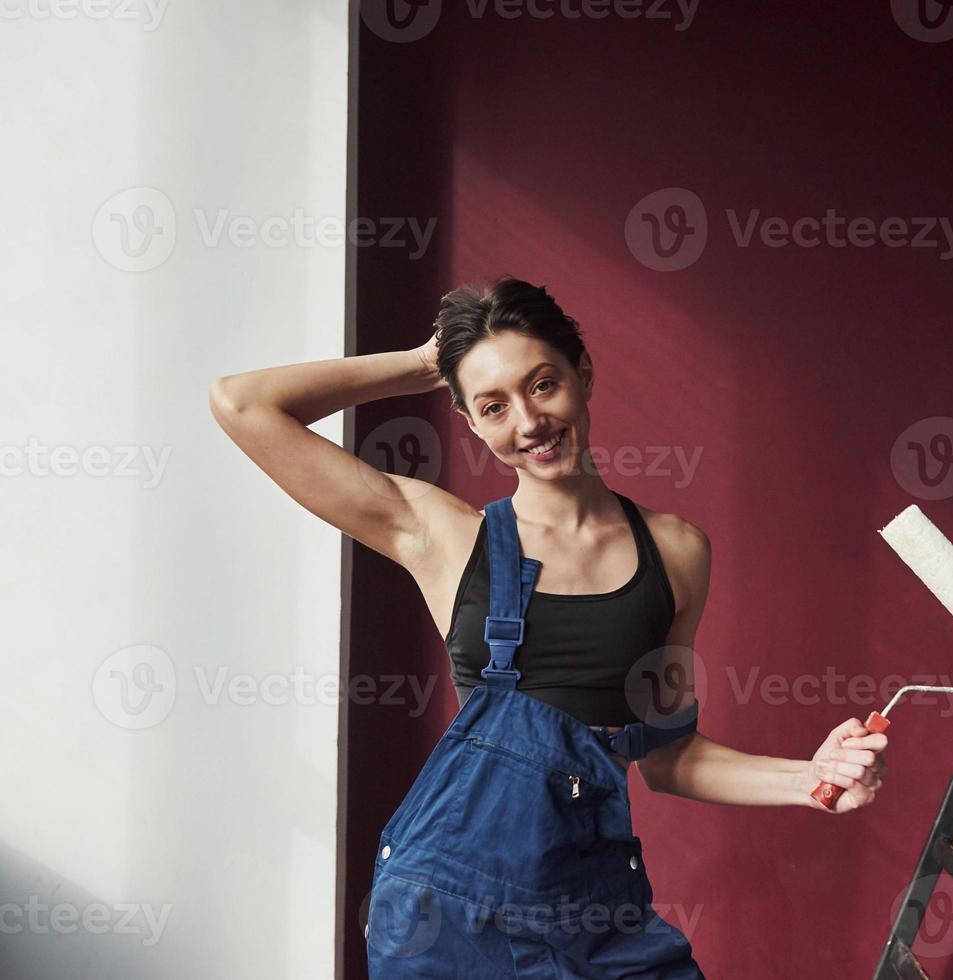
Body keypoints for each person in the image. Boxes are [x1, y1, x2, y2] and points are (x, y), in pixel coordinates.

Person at [209, 277, 889, 977]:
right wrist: (425, 362)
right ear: (468, 422)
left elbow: (665, 757)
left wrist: (811, 777)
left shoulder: (676, 553)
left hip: (592, 911)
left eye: (542, 385)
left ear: (582, 375)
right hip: (447, 919)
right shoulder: (441, 537)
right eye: (493, 406)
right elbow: (243, 403)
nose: (528, 422)